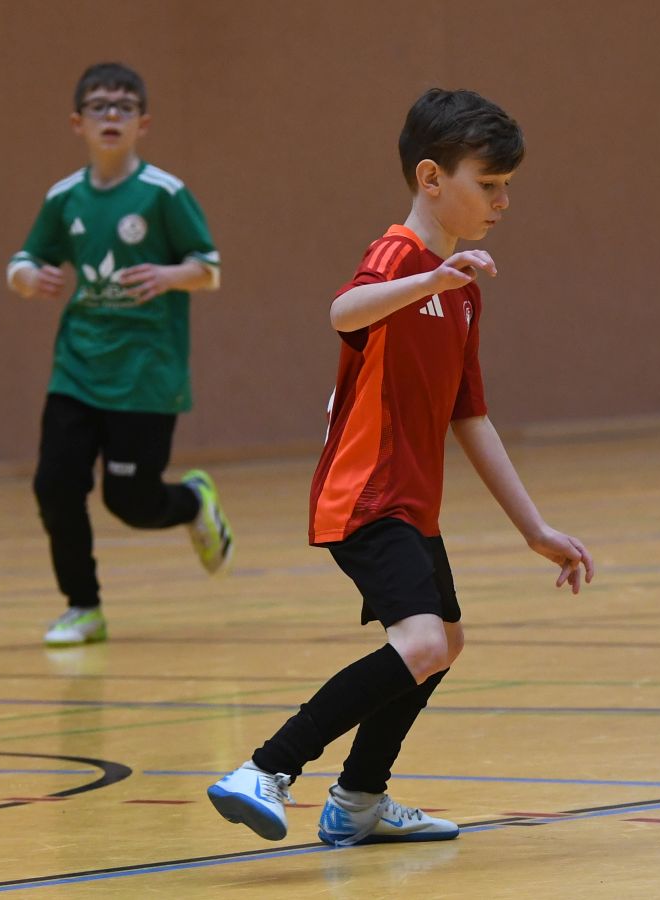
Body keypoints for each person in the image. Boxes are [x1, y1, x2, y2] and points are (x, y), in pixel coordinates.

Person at [206, 88, 594, 846]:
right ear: (431, 178)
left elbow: (470, 417)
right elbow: (342, 312)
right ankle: (267, 769)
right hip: (364, 495)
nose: (503, 201)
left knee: (443, 642)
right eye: (490, 184)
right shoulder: (399, 260)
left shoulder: (463, 295)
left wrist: (534, 529)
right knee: (421, 643)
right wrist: (426, 282)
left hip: (411, 502)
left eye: (508, 185)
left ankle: (358, 799)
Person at [5, 62, 232, 646]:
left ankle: (193, 502)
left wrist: (169, 274)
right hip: (77, 368)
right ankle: (83, 607)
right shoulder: (64, 198)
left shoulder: (163, 194)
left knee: (130, 501)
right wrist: (29, 279)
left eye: (124, 107)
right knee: (55, 486)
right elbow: (23, 261)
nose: (112, 115)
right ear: (77, 123)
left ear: (142, 123)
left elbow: (208, 268)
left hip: (145, 374)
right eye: (100, 107)